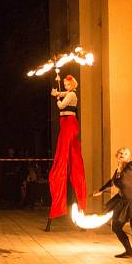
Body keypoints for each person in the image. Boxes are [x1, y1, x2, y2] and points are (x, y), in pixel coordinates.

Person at [94, 147, 132, 264]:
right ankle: (129, 252)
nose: (122, 155)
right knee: (116, 226)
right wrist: (100, 190)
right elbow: (112, 182)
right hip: (124, 202)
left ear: (128, 157)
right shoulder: (118, 171)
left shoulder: (131, 166)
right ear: (116, 155)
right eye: (120, 153)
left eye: (125, 154)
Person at [47, 74, 87, 230]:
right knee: (64, 151)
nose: (65, 86)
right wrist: (55, 92)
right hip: (66, 124)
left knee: (66, 154)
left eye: (67, 83)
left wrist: (57, 99)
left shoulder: (72, 94)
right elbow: (60, 93)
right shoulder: (69, 93)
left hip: (69, 124)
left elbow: (61, 106)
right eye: (63, 83)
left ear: (72, 84)